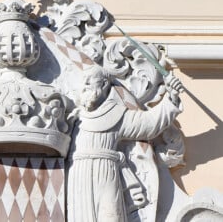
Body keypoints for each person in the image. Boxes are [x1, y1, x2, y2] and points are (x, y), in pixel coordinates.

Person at [67, 65, 184, 222]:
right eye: (84, 80)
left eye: (91, 80)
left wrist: (171, 98)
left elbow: (149, 123)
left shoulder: (116, 115)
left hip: (105, 172)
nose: (86, 84)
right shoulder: (75, 118)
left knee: (110, 216)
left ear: (103, 85)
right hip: (78, 174)